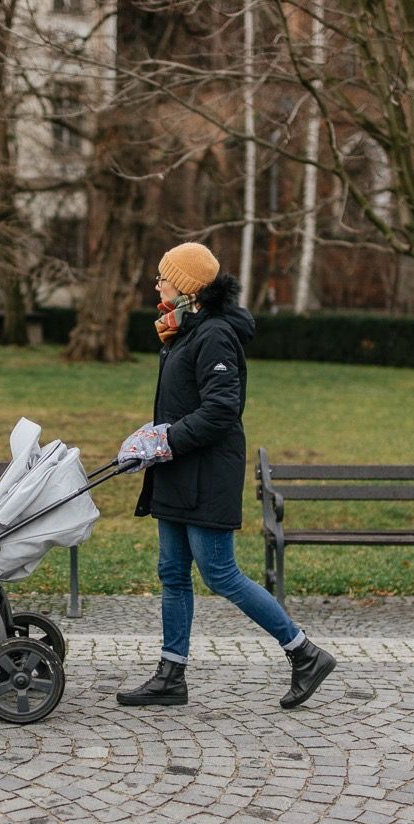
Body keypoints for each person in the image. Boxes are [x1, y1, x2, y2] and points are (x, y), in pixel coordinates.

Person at [115, 242, 336, 709]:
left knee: (220, 573)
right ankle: (170, 674)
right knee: (172, 573)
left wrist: (167, 439)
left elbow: (221, 411)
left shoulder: (214, 335)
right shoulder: (182, 330)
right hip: (176, 472)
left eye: (164, 276)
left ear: (189, 287)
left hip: (206, 474)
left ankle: (304, 653)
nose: (157, 283)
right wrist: (154, 437)